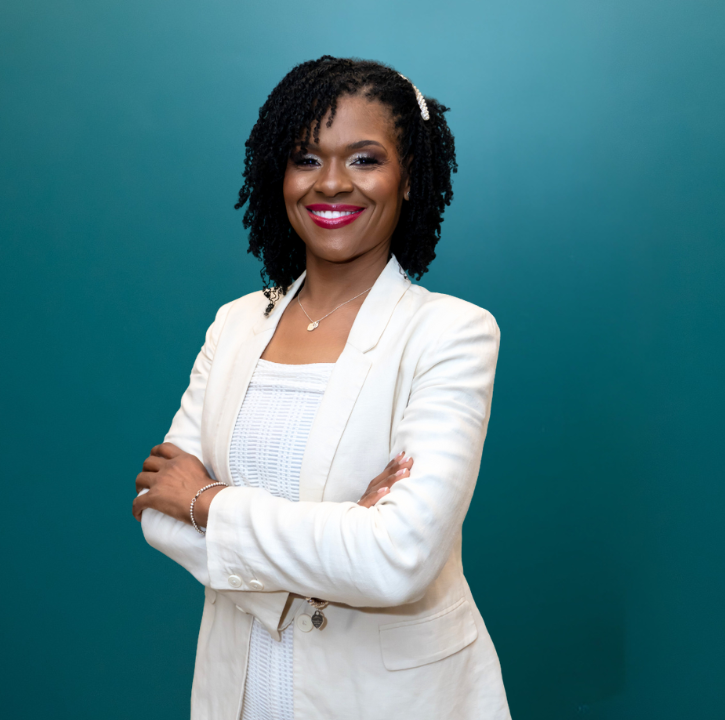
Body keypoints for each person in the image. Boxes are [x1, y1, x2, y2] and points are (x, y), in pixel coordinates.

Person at [132, 56, 510, 720]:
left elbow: (398, 558)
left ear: (408, 178)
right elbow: (159, 508)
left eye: (365, 159)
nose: (332, 182)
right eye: (306, 159)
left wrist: (209, 503)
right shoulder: (234, 324)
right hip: (239, 694)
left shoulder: (452, 333)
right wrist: (344, 538)